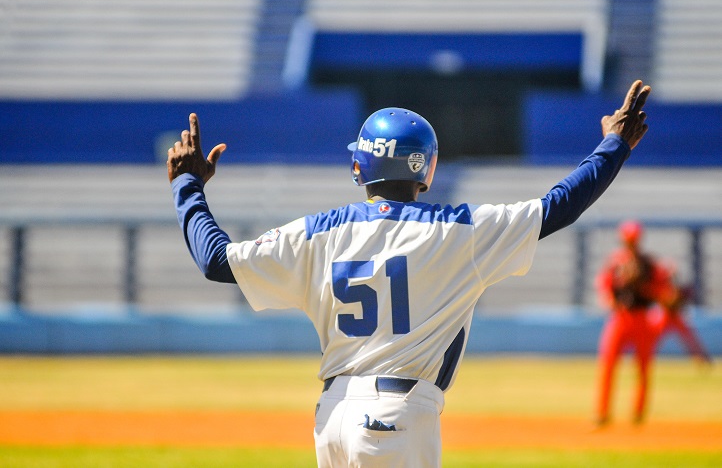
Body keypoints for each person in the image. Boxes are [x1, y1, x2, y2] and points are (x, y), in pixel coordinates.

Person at [167, 80, 650, 467]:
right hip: (399, 417)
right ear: (426, 168)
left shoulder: (316, 232)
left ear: (360, 165)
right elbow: (558, 206)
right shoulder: (457, 231)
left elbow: (216, 260)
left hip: (331, 416)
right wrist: (615, 145)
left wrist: (188, 185)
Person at [593, 219, 678, 426]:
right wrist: (611, 300)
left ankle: (638, 413)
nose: (630, 243)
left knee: (643, 368)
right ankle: (602, 413)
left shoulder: (649, 265)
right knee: (608, 365)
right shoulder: (616, 263)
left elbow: (664, 293)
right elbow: (604, 288)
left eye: (633, 239)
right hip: (621, 317)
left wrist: (645, 286)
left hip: (642, 317)